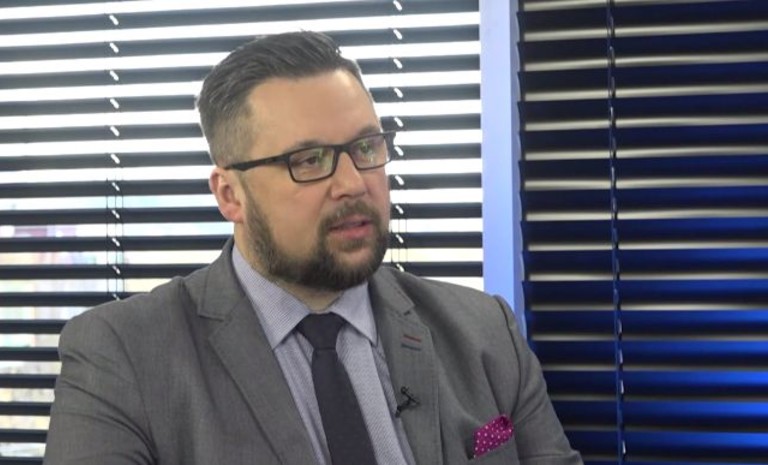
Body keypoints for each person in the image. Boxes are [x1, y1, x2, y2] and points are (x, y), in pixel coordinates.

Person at [43, 31, 582, 465]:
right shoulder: (123, 355)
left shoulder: (484, 331)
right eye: (308, 160)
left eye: (366, 147)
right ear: (230, 195)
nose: (353, 183)